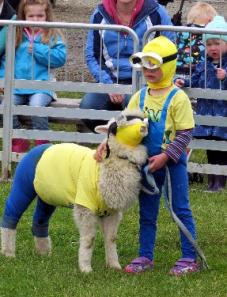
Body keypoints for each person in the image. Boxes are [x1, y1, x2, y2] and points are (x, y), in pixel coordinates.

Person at [96, 36, 200, 276]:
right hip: (146, 165)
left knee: (180, 208)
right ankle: (145, 255)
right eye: (145, 65)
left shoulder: (178, 98)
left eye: (155, 65)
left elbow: (185, 133)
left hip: (171, 163)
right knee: (147, 211)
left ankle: (189, 256)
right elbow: (123, 126)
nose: (148, 71)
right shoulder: (140, 96)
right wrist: (106, 142)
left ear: (169, 65)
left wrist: (166, 156)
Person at [80, 0, 175, 132]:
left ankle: (132, 144)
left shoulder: (157, 13)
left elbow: (170, 49)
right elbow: (93, 55)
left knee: (135, 107)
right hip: (111, 80)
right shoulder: (99, 14)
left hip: (145, 81)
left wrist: (150, 80)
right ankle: (116, 141)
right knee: (88, 106)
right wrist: (109, 84)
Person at [0, 0, 67, 153]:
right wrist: (3, 79)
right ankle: (18, 140)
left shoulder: (52, 34)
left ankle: (42, 144)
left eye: (40, 16)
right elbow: (6, 59)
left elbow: (60, 58)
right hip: (17, 87)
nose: (35, 20)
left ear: (47, 16)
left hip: (42, 86)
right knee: (5, 107)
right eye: (31, 16)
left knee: (36, 107)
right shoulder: (16, 33)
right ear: (23, 16)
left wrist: (38, 49)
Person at [175, 15, 227, 192]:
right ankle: (212, 181)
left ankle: (219, 182)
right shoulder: (203, 64)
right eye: (210, 44)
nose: (213, 48)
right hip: (207, 113)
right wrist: (185, 82)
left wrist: (225, 77)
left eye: (217, 44)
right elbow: (196, 79)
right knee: (210, 148)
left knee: (221, 149)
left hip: (223, 114)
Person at [176, 2, 217, 78]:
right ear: (210, 20)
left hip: (179, 70)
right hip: (200, 72)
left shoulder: (180, 31)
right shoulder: (209, 33)